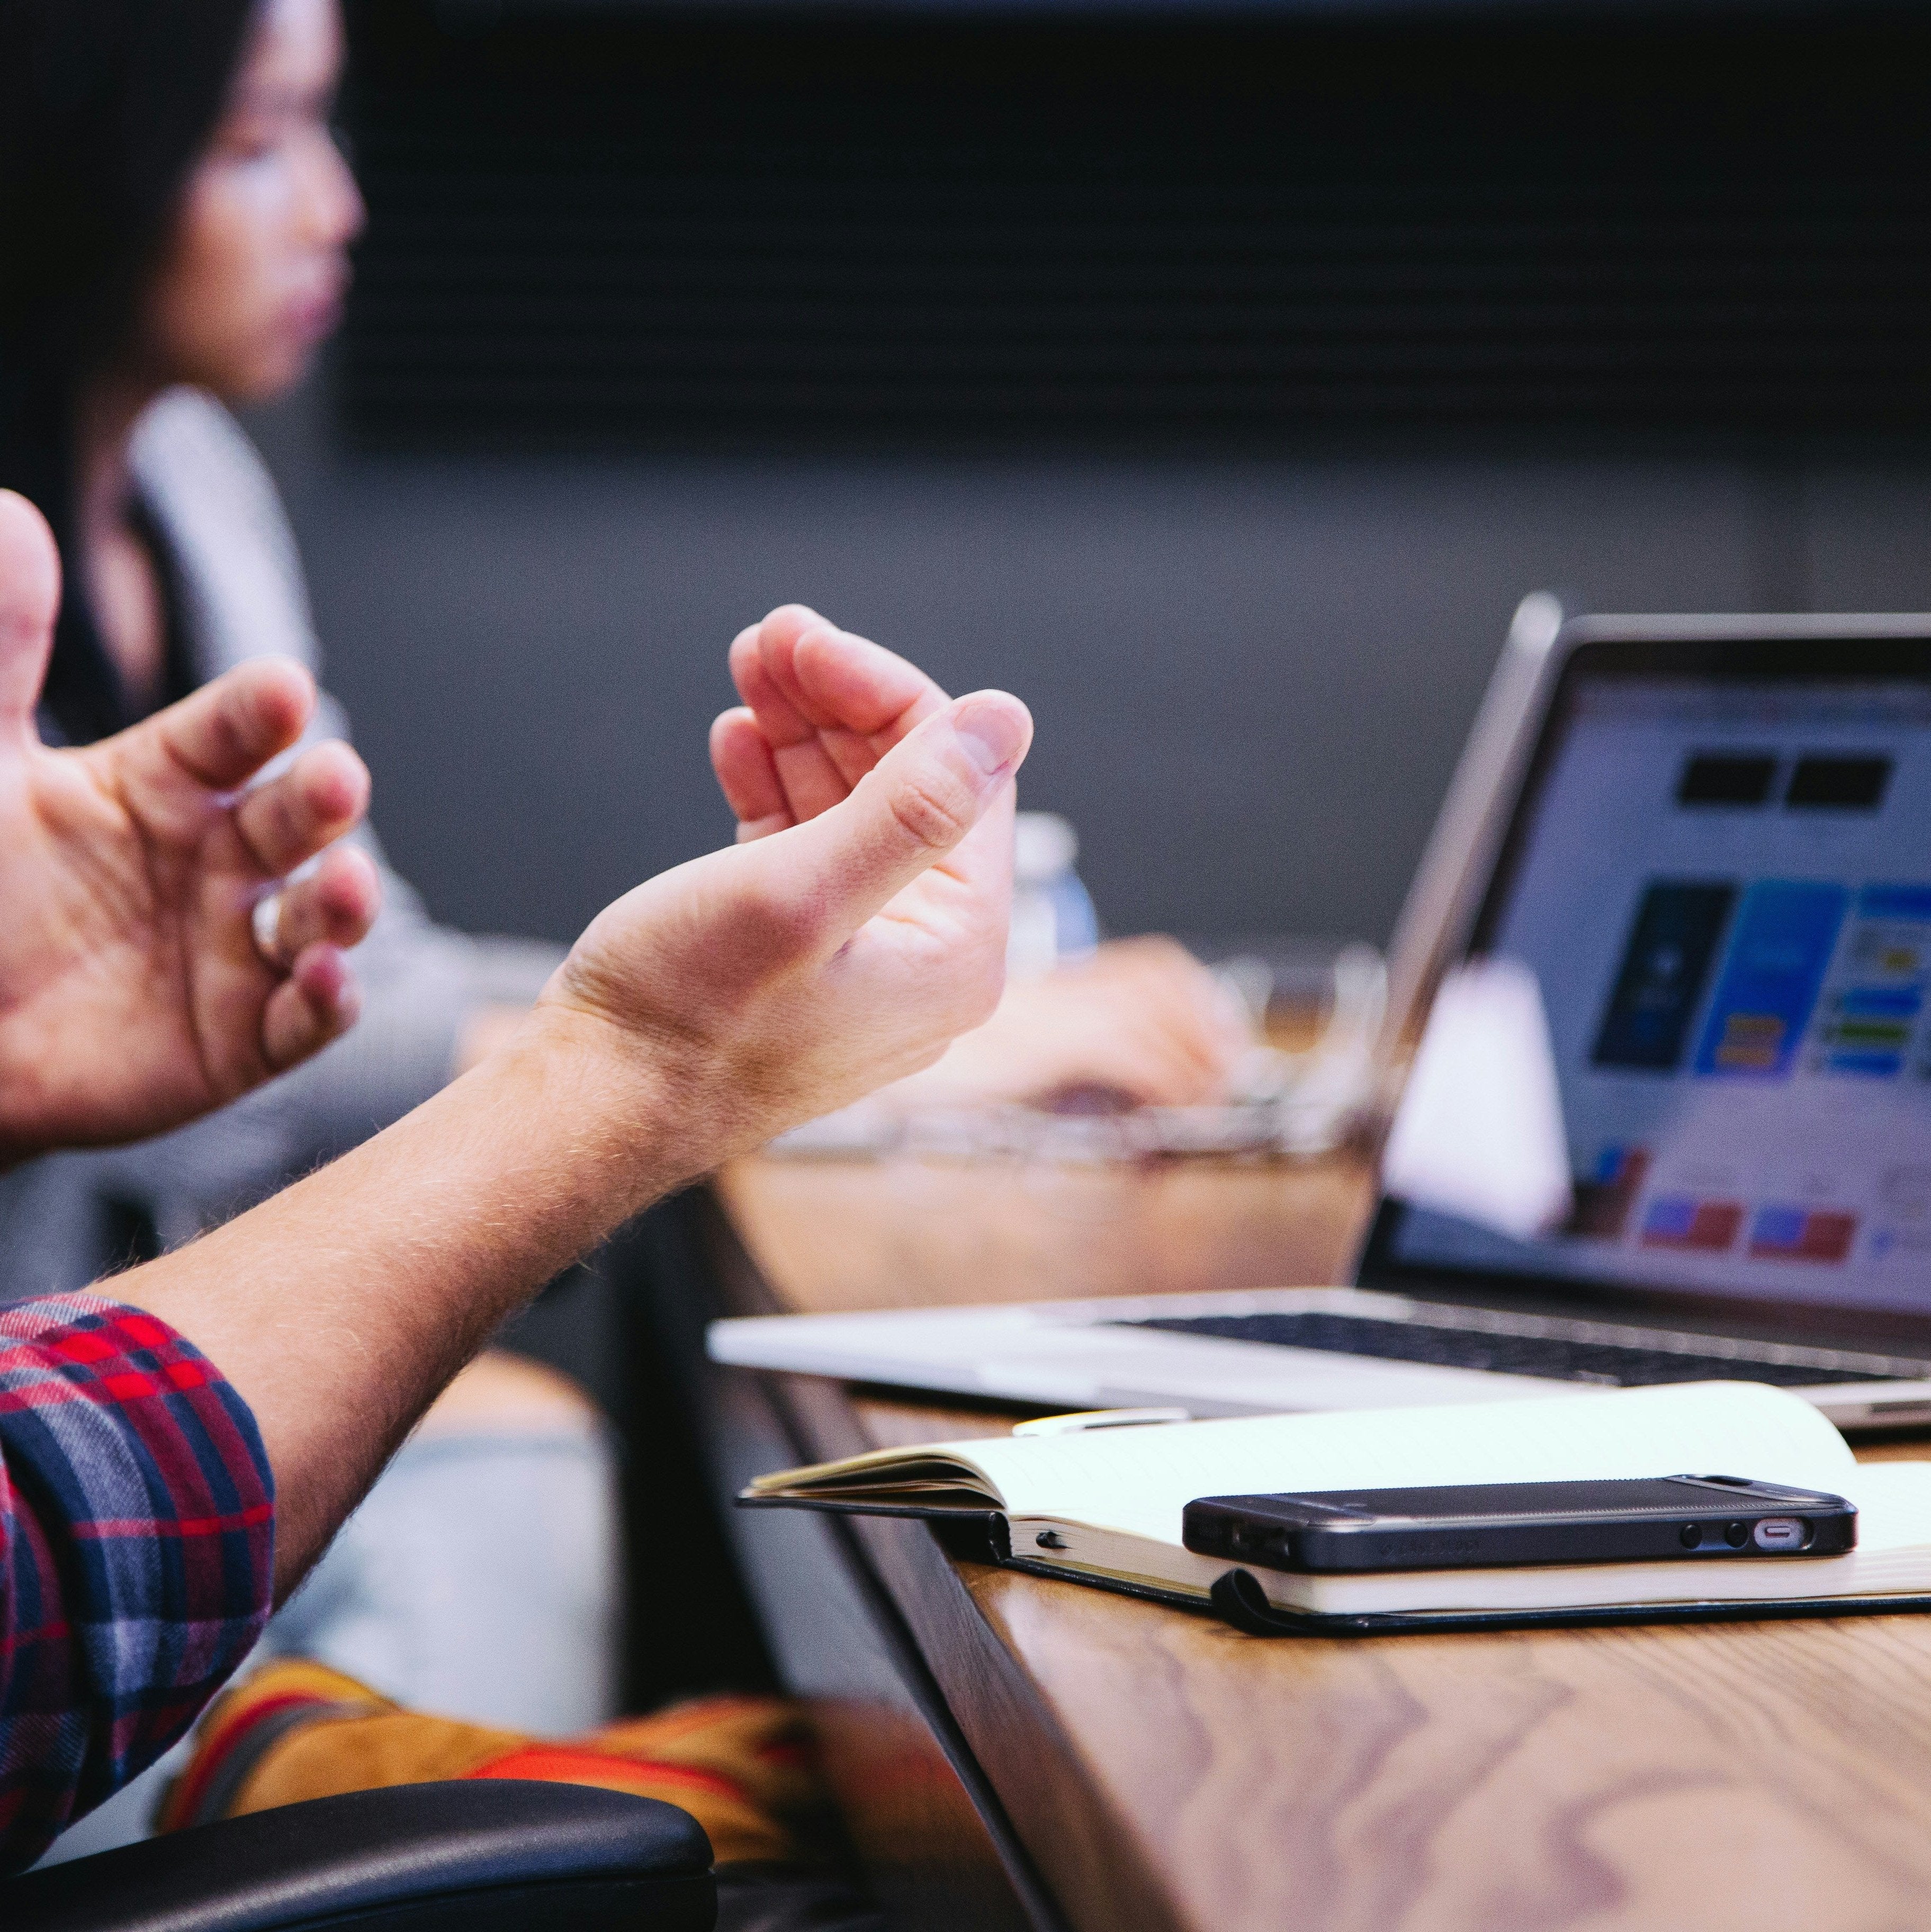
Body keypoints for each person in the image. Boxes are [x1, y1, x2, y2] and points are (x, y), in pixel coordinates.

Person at [0, 474, 1037, 1871]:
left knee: (523, 1443)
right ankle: (280, 1779)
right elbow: (33, 1586)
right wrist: (638, 1068)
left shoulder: (192, 474)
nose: (344, 232)